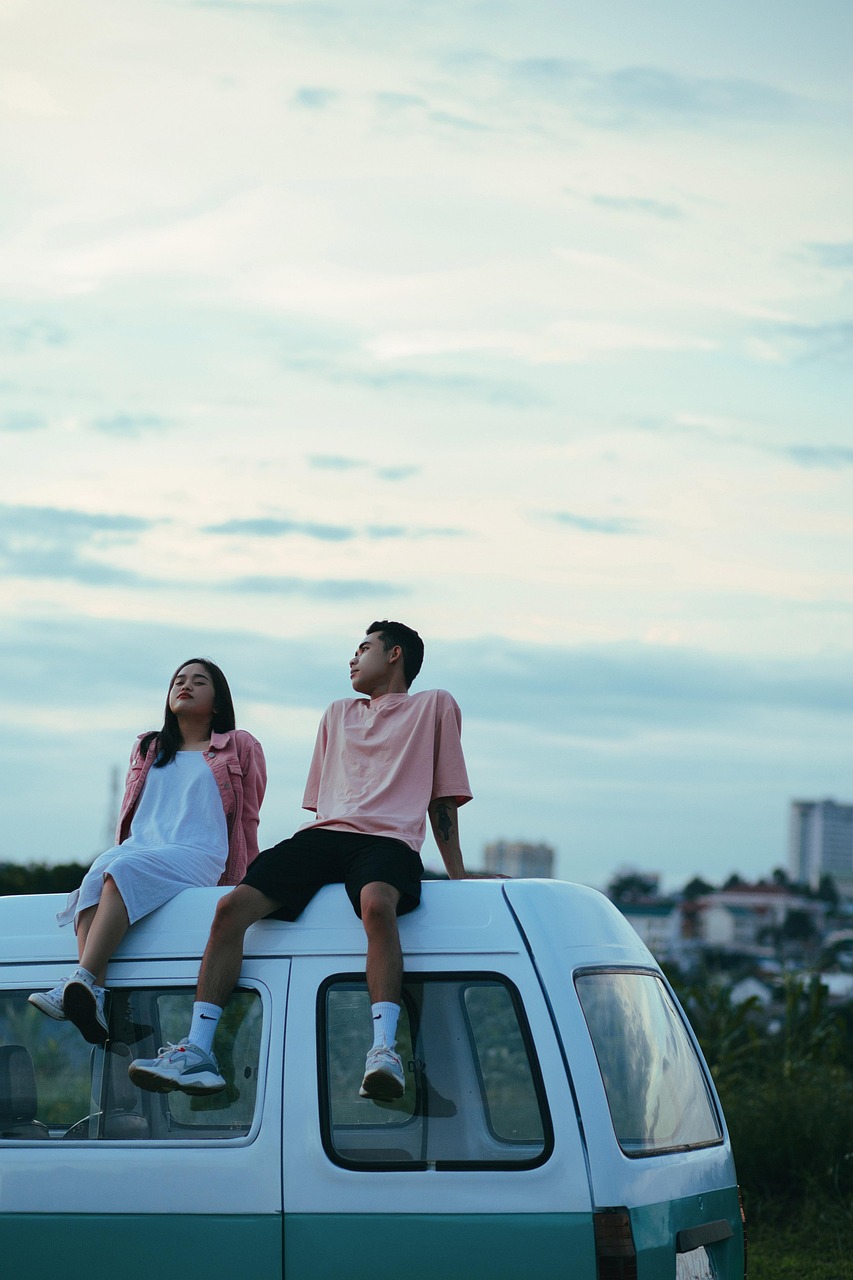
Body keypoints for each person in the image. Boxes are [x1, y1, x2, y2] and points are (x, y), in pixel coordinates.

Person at [129, 620, 473, 1102]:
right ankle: (198, 1050)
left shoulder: (435, 705)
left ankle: (382, 1051)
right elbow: (325, 805)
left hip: (388, 839)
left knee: (376, 904)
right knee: (229, 909)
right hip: (324, 836)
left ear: (395, 655)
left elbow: (442, 800)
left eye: (364, 648)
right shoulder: (335, 714)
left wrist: (458, 876)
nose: (353, 659)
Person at [29, 658, 266, 1046]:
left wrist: (246, 881)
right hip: (143, 847)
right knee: (98, 875)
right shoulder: (149, 747)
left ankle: (82, 979)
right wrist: (124, 851)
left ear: (218, 701)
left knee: (124, 870)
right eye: (178, 680)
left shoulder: (238, 746)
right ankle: (97, 998)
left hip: (199, 852)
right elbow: (131, 808)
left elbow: (248, 818)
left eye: (198, 681)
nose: (184, 686)